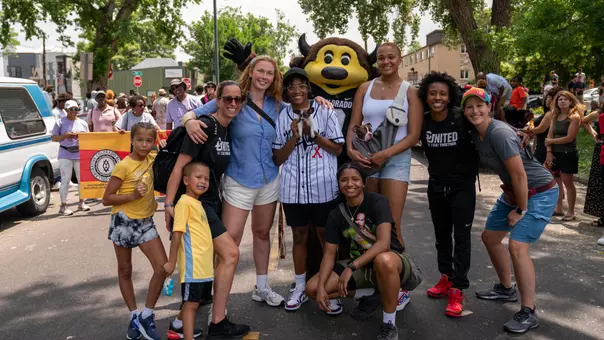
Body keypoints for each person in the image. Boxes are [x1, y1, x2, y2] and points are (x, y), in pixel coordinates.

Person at [181, 56, 332, 308]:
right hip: (239, 179)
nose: (264, 77)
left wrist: (317, 99)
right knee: (231, 242)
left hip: (269, 179)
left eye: (269, 73)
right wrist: (190, 123)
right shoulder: (234, 99)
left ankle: (261, 287)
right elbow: (191, 114)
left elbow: (301, 108)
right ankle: (218, 301)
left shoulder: (276, 104)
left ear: (275, 78)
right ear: (250, 72)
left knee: (262, 234)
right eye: (260, 71)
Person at [462, 87, 558, 334]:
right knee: (490, 237)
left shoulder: (498, 133)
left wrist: (521, 209)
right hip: (514, 191)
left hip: (539, 192)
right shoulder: (476, 132)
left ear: (489, 107)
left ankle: (529, 311)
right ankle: (506, 288)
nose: (474, 111)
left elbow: (519, 174)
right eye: (469, 107)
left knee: (517, 246)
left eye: (479, 105)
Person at [163, 81, 250, 338]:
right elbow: (180, 167)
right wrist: (168, 205)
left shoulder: (226, 129)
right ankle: (218, 323)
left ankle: (180, 324)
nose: (233, 104)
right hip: (195, 206)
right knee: (230, 254)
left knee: (207, 263)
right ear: (217, 100)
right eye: (227, 99)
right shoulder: (205, 126)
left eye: (237, 99)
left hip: (211, 202)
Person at [346, 42, 423, 312]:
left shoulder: (410, 91)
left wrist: (386, 154)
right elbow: (354, 125)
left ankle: (400, 286)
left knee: (392, 225)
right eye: (381, 58)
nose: (386, 61)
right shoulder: (364, 88)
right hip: (366, 160)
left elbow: (414, 135)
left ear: (400, 59)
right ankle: (376, 282)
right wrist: (350, 150)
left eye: (391, 57)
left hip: (395, 160)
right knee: (368, 226)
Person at [305, 163, 409, 340]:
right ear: (338, 184)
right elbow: (329, 254)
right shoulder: (336, 214)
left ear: (363, 183)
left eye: (355, 179)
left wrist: (351, 267)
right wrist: (322, 287)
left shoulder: (378, 202)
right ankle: (375, 293)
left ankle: (389, 323)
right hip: (360, 267)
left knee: (383, 260)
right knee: (312, 289)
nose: (349, 183)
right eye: (344, 180)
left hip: (391, 262)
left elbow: (384, 243)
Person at [272, 68, 344, 311]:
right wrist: (294, 136)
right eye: (291, 87)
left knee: (327, 240)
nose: (296, 91)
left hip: (323, 187)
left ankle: (329, 288)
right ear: (287, 91)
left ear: (308, 88)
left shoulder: (325, 110)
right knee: (300, 237)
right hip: (294, 190)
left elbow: (337, 149)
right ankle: (301, 286)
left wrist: (313, 135)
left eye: (301, 85)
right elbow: (277, 159)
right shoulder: (282, 116)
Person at [164, 161, 249, 340]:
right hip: (192, 267)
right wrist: (171, 262)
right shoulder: (184, 203)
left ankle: (177, 327)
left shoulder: (198, 204)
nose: (203, 181)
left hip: (202, 267)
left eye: (206, 179)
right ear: (186, 180)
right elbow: (177, 234)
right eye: (198, 177)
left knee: (193, 302)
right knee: (191, 305)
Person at [417, 71, 477, 317]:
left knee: (461, 239)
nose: (437, 97)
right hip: (436, 187)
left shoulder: (461, 118)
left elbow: (487, 128)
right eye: (433, 93)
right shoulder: (423, 120)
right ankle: (446, 278)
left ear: (450, 95)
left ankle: (457, 289)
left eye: (442, 93)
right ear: (426, 96)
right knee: (441, 237)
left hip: (462, 187)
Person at [102, 122, 167, 340]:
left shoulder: (152, 159)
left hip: (146, 222)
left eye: (149, 140)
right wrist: (131, 196)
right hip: (124, 220)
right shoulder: (123, 166)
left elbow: (169, 157)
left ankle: (146, 315)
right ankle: (133, 316)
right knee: (125, 270)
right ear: (132, 140)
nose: (144, 144)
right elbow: (106, 198)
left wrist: (165, 146)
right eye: (140, 140)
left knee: (162, 267)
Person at [526, 86, 565, 215]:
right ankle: (556, 206)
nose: (548, 99)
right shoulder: (550, 113)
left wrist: (527, 131)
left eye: (551, 97)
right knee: (552, 177)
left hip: (545, 148)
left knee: (547, 177)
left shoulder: (550, 114)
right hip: (542, 146)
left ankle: (556, 206)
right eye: (547, 96)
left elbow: (541, 129)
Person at [545, 91, 582, 221]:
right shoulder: (555, 116)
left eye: (565, 99)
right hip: (554, 154)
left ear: (571, 101)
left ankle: (571, 212)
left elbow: (569, 138)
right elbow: (549, 135)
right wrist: (549, 152)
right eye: (560, 99)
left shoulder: (574, 117)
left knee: (568, 182)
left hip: (568, 153)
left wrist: (551, 142)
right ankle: (558, 208)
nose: (562, 101)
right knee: (556, 181)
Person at [51, 100, 91, 215]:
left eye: (76, 109)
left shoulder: (83, 123)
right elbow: (53, 138)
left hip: (79, 154)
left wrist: (80, 136)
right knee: (65, 181)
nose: (74, 111)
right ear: (66, 110)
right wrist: (64, 136)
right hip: (65, 153)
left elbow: (89, 138)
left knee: (81, 179)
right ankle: (63, 206)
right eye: (71, 109)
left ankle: (81, 203)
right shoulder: (60, 122)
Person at [582, 105, 604, 227]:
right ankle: (602, 215)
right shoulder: (599, 113)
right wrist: (593, 133)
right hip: (601, 149)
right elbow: (584, 121)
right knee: (599, 182)